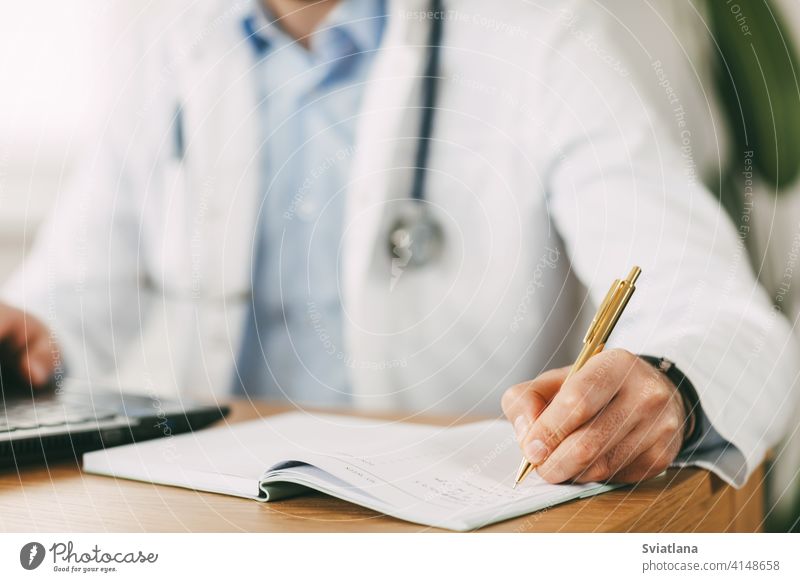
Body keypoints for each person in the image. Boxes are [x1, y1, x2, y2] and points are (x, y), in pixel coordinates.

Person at [0, 0, 797, 488]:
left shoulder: (547, 40)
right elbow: (70, 291)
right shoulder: (169, 45)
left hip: (448, 531)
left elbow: (727, 322)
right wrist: (28, 334)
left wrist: (669, 383)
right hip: (216, 512)